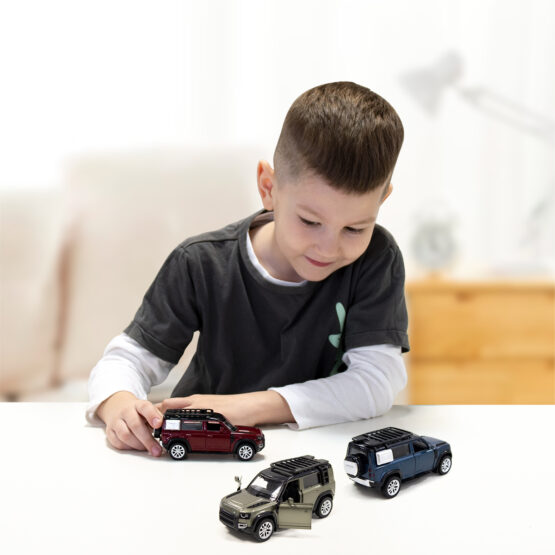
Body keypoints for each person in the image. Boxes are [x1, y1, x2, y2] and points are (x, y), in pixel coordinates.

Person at [87, 81, 409, 457]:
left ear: (383, 199)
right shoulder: (200, 263)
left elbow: (377, 382)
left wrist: (247, 408)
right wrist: (118, 403)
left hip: (321, 455)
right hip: (201, 451)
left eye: (355, 228)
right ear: (268, 187)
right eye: (309, 221)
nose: (328, 247)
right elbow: (126, 360)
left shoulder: (376, 260)